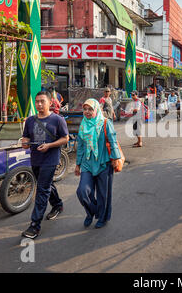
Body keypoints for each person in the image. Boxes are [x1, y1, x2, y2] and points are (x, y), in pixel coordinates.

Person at [21, 91, 69, 239]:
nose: (39, 104)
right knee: (46, 185)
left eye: (42, 101)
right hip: (36, 159)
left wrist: (50, 145)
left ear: (49, 103)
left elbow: (65, 138)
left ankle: (35, 225)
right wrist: (24, 143)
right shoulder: (30, 120)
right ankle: (58, 204)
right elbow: (26, 137)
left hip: (51, 158)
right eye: (37, 102)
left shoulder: (57, 119)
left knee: (42, 190)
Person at [75, 99, 120, 228]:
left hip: (103, 163)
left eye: (90, 109)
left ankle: (103, 217)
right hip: (87, 163)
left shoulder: (105, 123)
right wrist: (78, 164)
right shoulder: (83, 125)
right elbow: (81, 146)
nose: (87, 112)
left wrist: (116, 159)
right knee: (82, 191)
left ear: (96, 110)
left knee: (103, 194)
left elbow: (113, 141)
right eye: (85, 109)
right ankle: (91, 212)